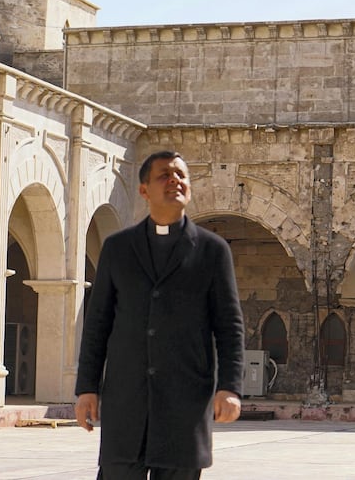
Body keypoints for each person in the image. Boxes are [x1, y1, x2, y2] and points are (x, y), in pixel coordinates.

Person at [75, 150, 244, 480]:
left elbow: (229, 326)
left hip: (184, 405)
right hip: (126, 401)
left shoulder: (212, 251)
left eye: (181, 175)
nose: (175, 181)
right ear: (144, 190)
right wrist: (86, 388)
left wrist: (230, 387)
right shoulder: (117, 248)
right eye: (164, 175)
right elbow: (97, 323)